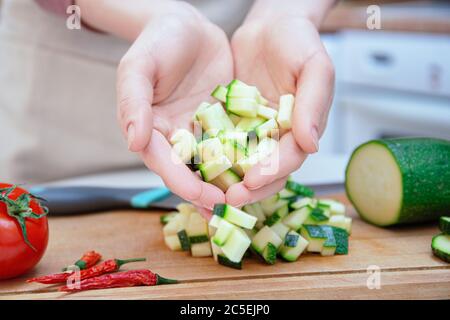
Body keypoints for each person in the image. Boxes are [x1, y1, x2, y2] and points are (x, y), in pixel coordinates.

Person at [3, 0, 335, 214]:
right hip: (61, 88)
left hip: (240, 57)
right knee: (29, 213)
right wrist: (158, 15)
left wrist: (286, 13)